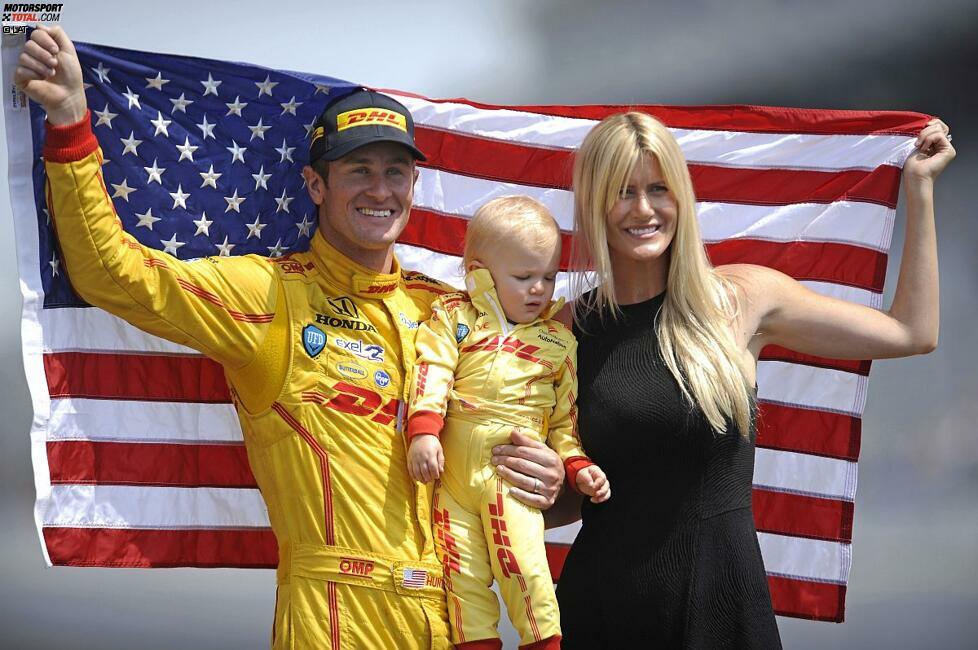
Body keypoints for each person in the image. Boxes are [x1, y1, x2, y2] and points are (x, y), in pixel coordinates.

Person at [14, 26, 566, 650]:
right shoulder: (270, 295)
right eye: (359, 170)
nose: (381, 190)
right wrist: (69, 121)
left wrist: (551, 474)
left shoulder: (453, 312)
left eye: (396, 172)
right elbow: (112, 273)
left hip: (459, 622)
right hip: (334, 619)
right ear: (315, 185)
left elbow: (556, 383)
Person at [535, 111, 954, 648]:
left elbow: (911, 331)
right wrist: (545, 488)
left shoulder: (740, 300)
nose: (643, 209)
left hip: (725, 609)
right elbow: (565, 504)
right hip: (602, 611)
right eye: (622, 191)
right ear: (594, 203)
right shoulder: (562, 330)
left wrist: (919, 189)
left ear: (682, 197)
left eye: (658, 188)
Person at [405, 196, 610, 649]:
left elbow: (564, 422)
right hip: (450, 477)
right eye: (523, 277)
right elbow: (432, 369)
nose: (539, 289)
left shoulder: (558, 340)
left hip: (511, 476)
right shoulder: (454, 317)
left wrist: (577, 468)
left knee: (527, 566)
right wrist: (424, 431)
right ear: (480, 272)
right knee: (461, 577)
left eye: (549, 277)